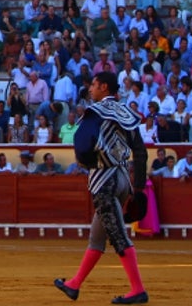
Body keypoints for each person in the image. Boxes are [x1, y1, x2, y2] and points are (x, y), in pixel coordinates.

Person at [54, 71, 148, 305]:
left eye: (94, 85)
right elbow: (140, 152)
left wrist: (88, 163)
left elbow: (81, 144)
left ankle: (138, 289)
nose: (91, 89)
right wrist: (138, 187)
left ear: (104, 87)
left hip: (103, 181)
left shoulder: (95, 112)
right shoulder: (127, 113)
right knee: (97, 237)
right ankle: (74, 284)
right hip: (123, 179)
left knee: (118, 236)